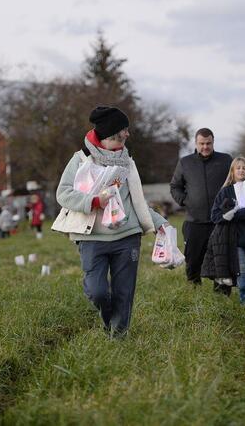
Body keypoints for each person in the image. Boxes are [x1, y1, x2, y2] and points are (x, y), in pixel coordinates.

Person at [55, 105, 170, 338]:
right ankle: (109, 319)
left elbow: (137, 201)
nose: (128, 134)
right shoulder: (80, 160)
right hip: (92, 238)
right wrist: (94, 201)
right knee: (97, 292)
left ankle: (118, 337)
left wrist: (160, 222)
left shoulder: (128, 163)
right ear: (111, 133)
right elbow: (63, 193)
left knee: (124, 292)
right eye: (124, 130)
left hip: (127, 237)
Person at [170, 128, 233, 293]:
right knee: (192, 259)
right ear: (196, 143)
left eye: (208, 143)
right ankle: (194, 290)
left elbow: (236, 182)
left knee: (221, 258)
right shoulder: (185, 162)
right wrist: (185, 201)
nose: (205, 146)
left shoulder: (226, 160)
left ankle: (222, 293)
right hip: (194, 221)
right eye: (202, 143)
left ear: (213, 142)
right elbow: (175, 186)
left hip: (220, 221)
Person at [206, 157, 245, 304]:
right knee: (243, 272)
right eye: (238, 168)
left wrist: (237, 213)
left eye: (244, 168)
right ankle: (244, 303)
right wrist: (234, 213)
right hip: (234, 239)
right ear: (232, 171)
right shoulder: (225, 192)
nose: (241, 170)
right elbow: (215, 216)